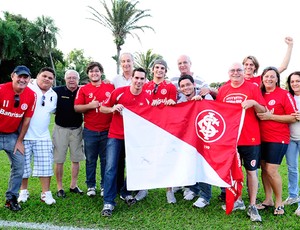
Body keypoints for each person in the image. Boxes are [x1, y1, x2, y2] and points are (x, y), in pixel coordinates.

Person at [216, 62, 266, 222]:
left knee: (251, 172)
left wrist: (254, 103)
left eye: (239, 70)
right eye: (233, 70)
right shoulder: (223, 89)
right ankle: (237, 200)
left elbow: (263, 111)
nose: (236, 72)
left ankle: (252, 205)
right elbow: (218, 112)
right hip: (231, 139)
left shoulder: (252, 88)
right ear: (228, 73)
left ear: (244, 72)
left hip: (250, 138)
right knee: (231, 171)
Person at [100, 67, 151, 217]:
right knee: (111, 168)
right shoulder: (119, 92)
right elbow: (102, 108)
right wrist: (113, 108)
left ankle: (126, 192)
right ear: (132, 78)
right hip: (116, 135)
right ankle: (108, 201)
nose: (139, 81)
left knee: (134, 167)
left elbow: (152, 117)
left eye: (142, 79)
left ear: (145, 80)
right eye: (137, 78)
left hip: (135, 138)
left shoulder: (147, 97)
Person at [256, 67, 297, 216]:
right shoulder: (259, 94)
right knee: (264, 168)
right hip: (260, 138)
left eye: (272, 77)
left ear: (277, 79)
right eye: (266, 76)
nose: (269, 79)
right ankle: (268, 200)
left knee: (272, 170)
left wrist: (270, 117)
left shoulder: (284, 94)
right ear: (262, 78)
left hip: (278, 138)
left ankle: (279, 202)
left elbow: (293, 117)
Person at [74, 62, 114, 197]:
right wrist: (90, 105)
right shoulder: (84, 89)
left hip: (107, 130)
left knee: (105, 160)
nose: (94, 73)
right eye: (91, 71)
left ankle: (104, 185)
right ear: (88, 74)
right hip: (90, 130)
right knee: (91, 160)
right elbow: (77, 108)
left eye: (96, 71)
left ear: (101, 72)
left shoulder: (110, 86)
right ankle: (91, 185)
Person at [18, 67, 58, 205]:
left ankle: (45, 193)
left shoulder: (54, 95)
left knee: (45, 166)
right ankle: (23, 191)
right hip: (23, 136)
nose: (47, 79)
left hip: (43, 136)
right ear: (37, 76)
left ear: (53, 81)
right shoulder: (26, 88)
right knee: (22, 166)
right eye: (44, 76)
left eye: (50, 78)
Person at [0, 66, 36, 211]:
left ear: (29, 79)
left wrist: (19, 141)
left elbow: (26, 120)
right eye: (19, 76)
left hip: (12, 136)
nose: (22, 79)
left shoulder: (31, 95)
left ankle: (11, 199)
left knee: (20, 165)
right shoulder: (1, 89)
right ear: (12, 76)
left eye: (25, 77)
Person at [176, 74, 214, 208]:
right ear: (180, 89)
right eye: (182, 86)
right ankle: (194, 189)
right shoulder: (180, 101)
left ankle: (205, 196)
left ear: (193, 85)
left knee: (202, 165)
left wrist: (201, 102)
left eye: (188, 85)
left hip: (204, 137)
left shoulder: (204, 96)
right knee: (190, 164)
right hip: (188, 138)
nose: (186, 88)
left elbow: (213, 111)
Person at [144, 59, 177, 203]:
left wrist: (170, 103)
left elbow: (173, 106)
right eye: (156, 67)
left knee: (167, 158)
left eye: (162, 68)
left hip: (165, 127)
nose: (159, 70)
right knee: (145, 157)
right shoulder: (145, 85)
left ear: (165, 71)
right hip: (147, 127)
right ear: (152, 70)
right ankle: (143, 188)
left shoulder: (170, 87)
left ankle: (169, 190)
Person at [52, 70, 85, 198]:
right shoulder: (57, 91)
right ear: (65, 79)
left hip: (77, 129)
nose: (72, 80)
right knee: (59, 159)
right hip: (60, 129)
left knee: (76, 159)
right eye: (69, 78)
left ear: (78, 79)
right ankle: (59, 187)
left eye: (74, 78)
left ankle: (73, 185)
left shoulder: (82, 91)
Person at [285, 71, 300, 216]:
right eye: (292, 81)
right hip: (290, 138)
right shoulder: (288, 96)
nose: (295, 83)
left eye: (298, 81)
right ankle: (293, 195)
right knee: (292, 168)